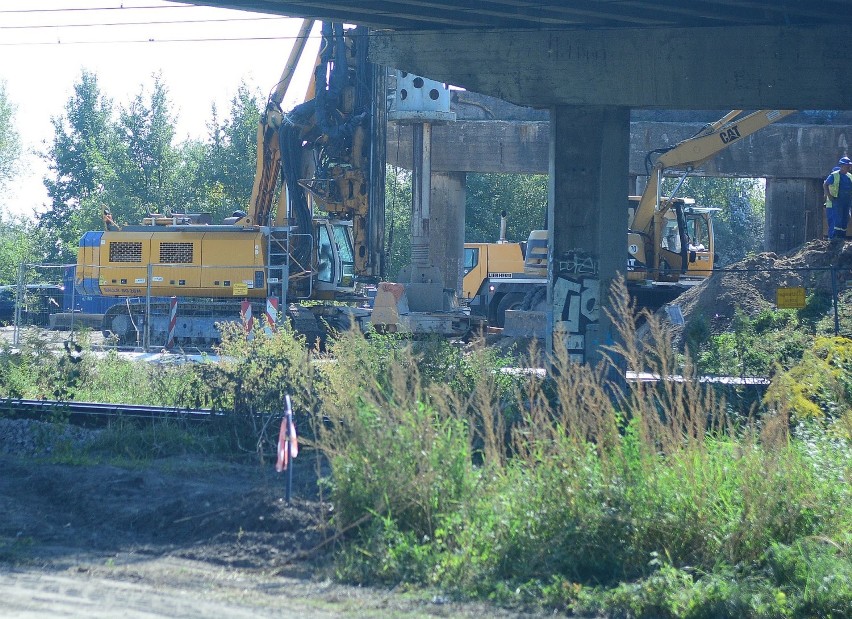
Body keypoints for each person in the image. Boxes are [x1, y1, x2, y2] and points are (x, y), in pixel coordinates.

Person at [823, 157, 852, 239]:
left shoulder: (850, 176)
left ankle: (841, 238)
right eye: (847, 166)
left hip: (847, 201)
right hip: (837, 200)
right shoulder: (834, 175)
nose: (849, 168)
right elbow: (825, 185)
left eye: (849, 166)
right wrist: (829, 196)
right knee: (836, 221)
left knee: (845, 220)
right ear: (842, 166)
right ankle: (834, 239)